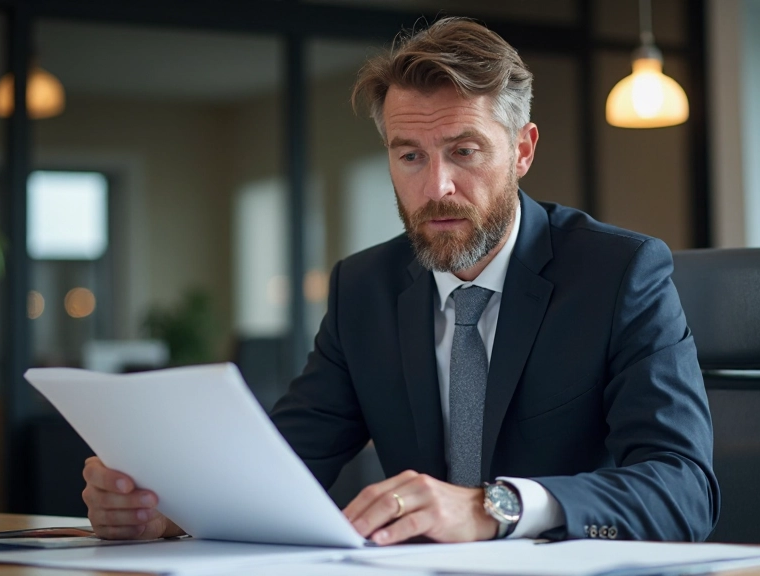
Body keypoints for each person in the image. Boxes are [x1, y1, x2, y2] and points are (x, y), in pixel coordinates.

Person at [81, 17, 720, 545]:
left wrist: (495, 507)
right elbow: (281, 467)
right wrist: (166, 508)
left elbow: (684, 488)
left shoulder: (619, 274)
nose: (435, 187)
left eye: (464, 152)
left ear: (522, 151)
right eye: (409, 155)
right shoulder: (364, 288)